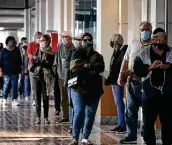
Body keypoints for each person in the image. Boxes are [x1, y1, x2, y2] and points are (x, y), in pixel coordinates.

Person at [133, 28, 172, 145]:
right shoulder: (143, 53)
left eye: (162, 39)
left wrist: (169, 67)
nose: (160, 42)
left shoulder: (171, 52)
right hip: (150, 94)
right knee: (148, 122)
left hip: (168, 93)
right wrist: (150, 67)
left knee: (168, 122)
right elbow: (137, 70)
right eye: (157, 39)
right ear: (152, 39)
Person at [118, 21, 152, 144]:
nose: (144, 31)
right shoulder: (133, 43)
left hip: (147, 83)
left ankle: (146, 135)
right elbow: (126, 60)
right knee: (130, 110)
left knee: (147, 111)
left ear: (151, 30)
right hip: (132, 82)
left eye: (147, 29)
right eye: (142, 29)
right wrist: (121, 75)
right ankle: (131, 136)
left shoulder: (153, 46)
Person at [69, 33, 105, 145]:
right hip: (78, 89)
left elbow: (100, 67)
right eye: (85, 40)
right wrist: (90, 68)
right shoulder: (76, 53)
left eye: (89, 40)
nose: (87, 41)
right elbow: (74, 69)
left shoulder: (97, 55)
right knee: (79, 112)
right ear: (81, 41)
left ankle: (85, 137)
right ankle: (75, 137)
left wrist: (86, 66)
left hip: (94, 90)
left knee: (90, 114)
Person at [104, 34, 127, 133]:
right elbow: (112, 66)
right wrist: (109, 78)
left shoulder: (122, 51)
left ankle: (122, 124)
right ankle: (119, 123)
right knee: (117, 103)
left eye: (115, 42)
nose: (113, 44)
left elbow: (119, 66)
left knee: (119, 103)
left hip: (118, 81)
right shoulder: (116, 52)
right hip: (114, 80)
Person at [32, 34, 54, 124]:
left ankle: (45, 117)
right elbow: (33, 60)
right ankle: (38, 117)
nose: (41, 42)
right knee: (37, 98)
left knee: (45, 97)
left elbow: (49, 64)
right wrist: (40, 61)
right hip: (37, 76)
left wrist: (39, 61)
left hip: (46, 77)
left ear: (48, 41)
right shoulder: (38, 50)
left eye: (43, 40)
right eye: (40, 40)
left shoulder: (51, 52)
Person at [53, 31, 75, 123]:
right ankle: (65, 116)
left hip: (72, 77)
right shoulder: (60, 48)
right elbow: (56, 62)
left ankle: (73, 116)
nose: (63, 39)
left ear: (70, 38)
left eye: (65, 37)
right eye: (62, 37)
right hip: (61, 76)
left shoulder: (74, 49)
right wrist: (55, 72)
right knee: (63, 97)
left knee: (72, 97)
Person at [65, 33, 83, 134]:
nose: (78, 41)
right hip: (71, 79)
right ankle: (72, 125)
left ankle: (80, 125)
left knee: (81, 105)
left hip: (83, 81)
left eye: (79, 39)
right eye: (76, 39)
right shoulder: (71, 51)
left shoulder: (86, 52)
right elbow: (67, 65)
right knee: (71, 104)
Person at [0, 36, 22, 106]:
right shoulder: (3, 51)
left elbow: (20, 61)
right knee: (6, 85)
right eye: (9, 42)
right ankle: (4, 98)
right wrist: (0, 71)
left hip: (15, 71)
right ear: (7, 42)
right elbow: (0, 62)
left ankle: (14, 99)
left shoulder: (17, 50)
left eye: (12, 42)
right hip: (6, 71)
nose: (11, 43)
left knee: (14, 86)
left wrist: (21, 70)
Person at [27, 31, 42, 106]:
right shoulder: (31, 44)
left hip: (41, 65)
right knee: (33, 83)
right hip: (32, 65)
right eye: (37, 37)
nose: (39, 39)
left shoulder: (43, 44)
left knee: (42, 83)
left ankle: (41, 99)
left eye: (40, 37)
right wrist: (33, 57)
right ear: (35, 37)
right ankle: (34, 99)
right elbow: (28, 54)